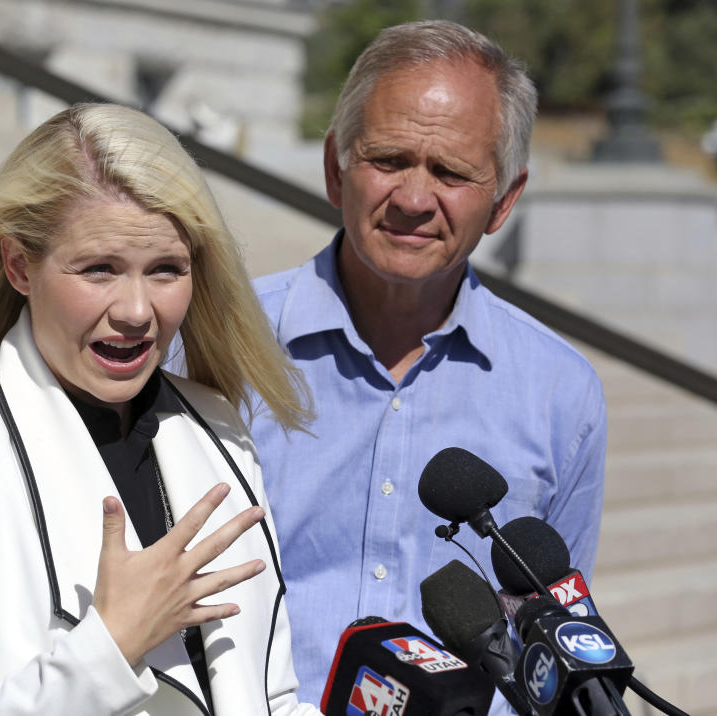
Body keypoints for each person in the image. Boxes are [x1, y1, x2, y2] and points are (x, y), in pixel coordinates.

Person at [0, 103, 322, 716]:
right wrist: (110, 649)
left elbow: (268, 696)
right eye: (100, 269)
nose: (138, 311)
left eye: (167, 270)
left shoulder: (218, 425)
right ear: (19, 265)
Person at [247, 20, 607, 708]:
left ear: (504, 200)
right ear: (334, 169)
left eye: (449, 172)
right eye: (388, 160)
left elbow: (550, 644)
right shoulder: (219, 348)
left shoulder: (562, 394)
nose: (413, 199)